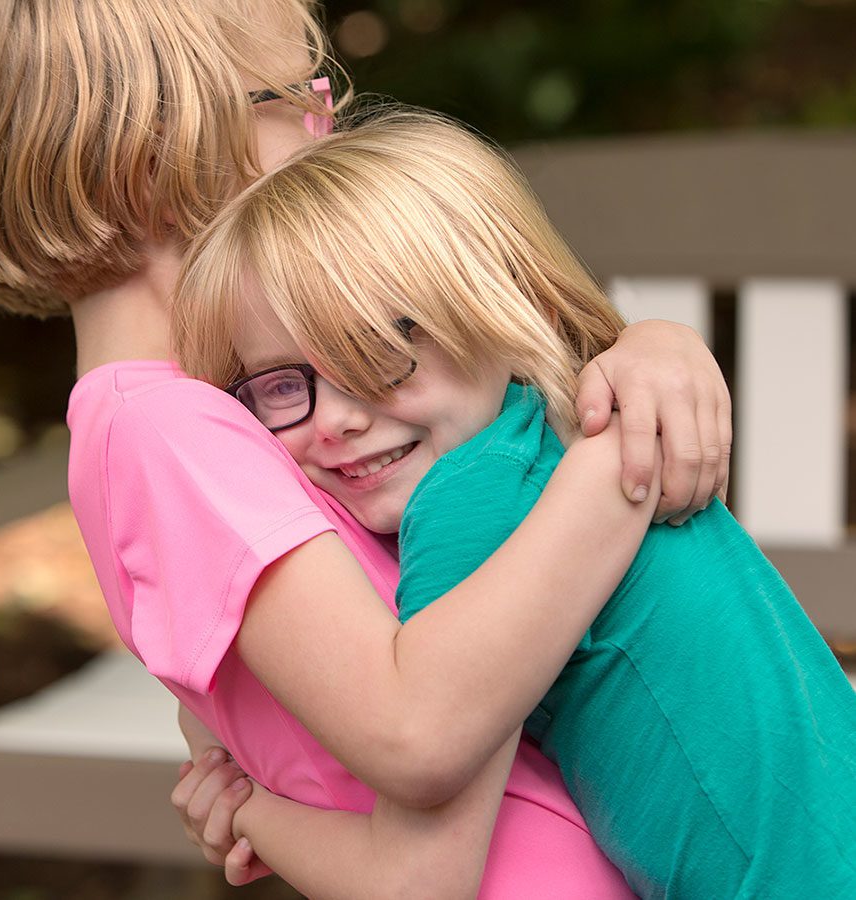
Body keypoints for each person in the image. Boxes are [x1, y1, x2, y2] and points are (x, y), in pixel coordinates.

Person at [0, 2, 733, 895]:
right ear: (159, 145)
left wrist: (650, 350)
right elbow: (417, 735)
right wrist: (621, 457)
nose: (328, 129)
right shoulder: (168, 435)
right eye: (304, 99)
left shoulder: (211, 406)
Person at [171, 109, 856, 898]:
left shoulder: (474, 503)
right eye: (284, 386)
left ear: (491, 305)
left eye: (377, 353)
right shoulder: (542, 439)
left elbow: (418, 883)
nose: (336, 420)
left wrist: (250, 809)